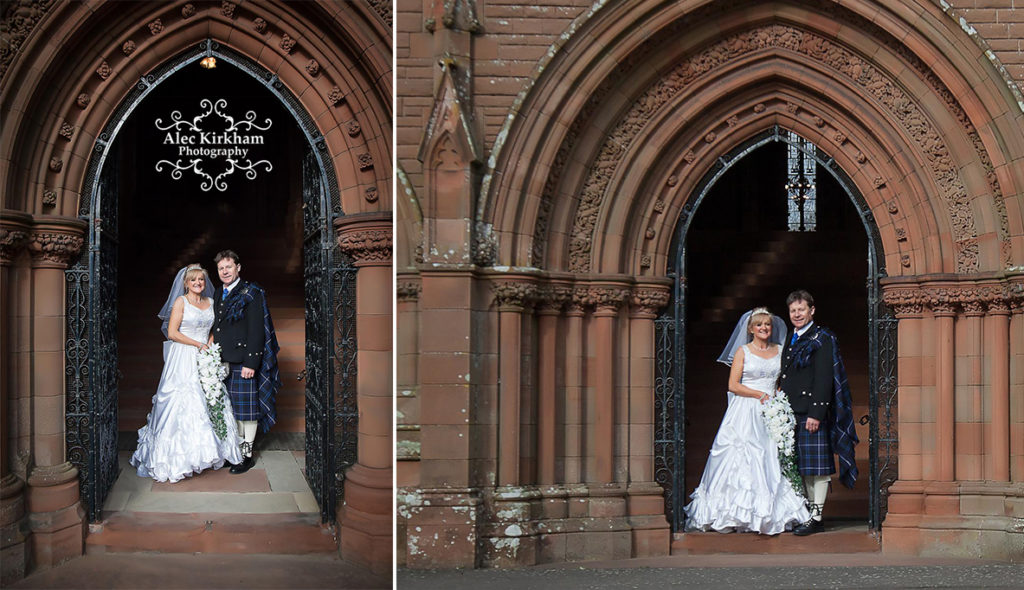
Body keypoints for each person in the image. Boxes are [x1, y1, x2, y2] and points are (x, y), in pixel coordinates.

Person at [684, 307, 810, 534]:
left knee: (771, 457)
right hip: (746, 409)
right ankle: (736, 513)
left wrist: (778, 399)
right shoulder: (743, 351)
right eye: (759, 325)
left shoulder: (780, 350)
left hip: (772, 409)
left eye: (767, 324)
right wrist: (759, 395)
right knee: (743, 455)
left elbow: (784, 379)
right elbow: (733, 385)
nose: (764, 328)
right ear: (751, 329)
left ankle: (769, 512)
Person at [130, 264, 242, 482]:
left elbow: (214, 329)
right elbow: (172, 333)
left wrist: (209, 345)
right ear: (186, 283)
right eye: (194, 280)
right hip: (183, 356)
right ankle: (180, 458)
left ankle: (209, 452)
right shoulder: (181, 302)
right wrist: (197, 345)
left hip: (205, 355)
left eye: (201, 280)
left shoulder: (211, 302)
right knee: (184, 402)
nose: (198, 283)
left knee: (210, 398)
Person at [777, 289, 859, 536]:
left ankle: (817, 515)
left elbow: (824, 378)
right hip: (791, 413)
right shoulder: (792, 338)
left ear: (812, 310)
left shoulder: (821, 338)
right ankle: (808, 513)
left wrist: (816, 413)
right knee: (802, 467)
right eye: (793, 310)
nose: (797, 314)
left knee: (817, 468)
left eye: (801, 309)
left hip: (811, 413)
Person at [211, 250, 281, 474]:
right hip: (222, 360)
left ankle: (246, 455)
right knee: (229, 410)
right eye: (221, 268)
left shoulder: (251, 292)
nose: (225, 271)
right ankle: (233, 451)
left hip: (243, 361)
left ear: (238, 267)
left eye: (229, 267)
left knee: (246, 412)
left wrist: (252, 362)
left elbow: (256, 330)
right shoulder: (217, 293)